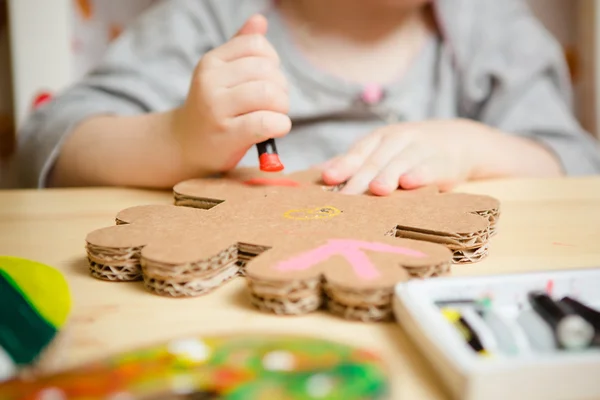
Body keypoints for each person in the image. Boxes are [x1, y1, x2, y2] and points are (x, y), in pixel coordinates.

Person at [13, 0, 600, 195]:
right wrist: (175, 138)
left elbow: (577, 170)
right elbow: (49, 145)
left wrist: (476, 149)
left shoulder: (492, 28)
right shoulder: (212, 17)